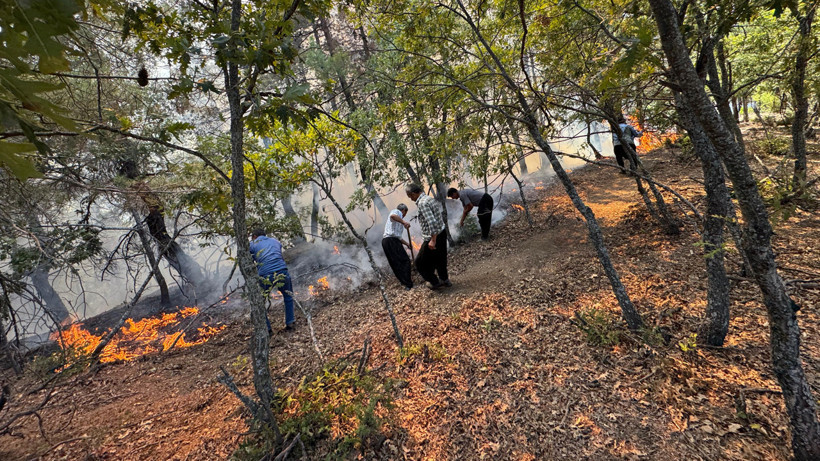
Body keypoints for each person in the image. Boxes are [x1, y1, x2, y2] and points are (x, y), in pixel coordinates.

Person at [405, 183, 451, 290]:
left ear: (413, 193)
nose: (411, 199)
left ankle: (434, 282)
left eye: (410, 196)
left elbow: (432, 222)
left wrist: (433, 240)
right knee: (440, 259)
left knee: (419, 263)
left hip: (432, 237)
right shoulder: (428, 199)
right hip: (441, 232)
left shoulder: (422, 203)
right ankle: (445, 280)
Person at [249, 228, 295, 334]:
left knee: (260, 302)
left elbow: (247, 256)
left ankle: (267, 329)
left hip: (265, 275)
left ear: (254, 236)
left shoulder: (253, 243)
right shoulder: (275, 241)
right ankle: (290, 322)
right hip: (282, 271)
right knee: (288, 296)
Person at [381, 204, 414, 290]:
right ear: (403, 210)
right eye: (405, 213)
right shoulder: (397, 212)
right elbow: (393, 216)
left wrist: (407, 244)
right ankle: (408, 284)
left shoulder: (399, 221)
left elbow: (398, 237)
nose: (404, 216)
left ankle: (405, 282)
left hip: (388, 241)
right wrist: (404, 222)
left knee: (396, 263)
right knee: (405, 261)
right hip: (390, 241)